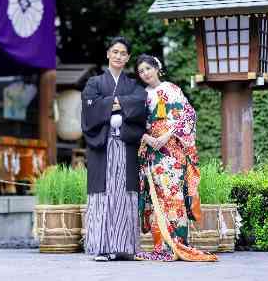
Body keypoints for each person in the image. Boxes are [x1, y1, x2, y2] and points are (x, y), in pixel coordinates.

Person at [135, 54, 217, 262]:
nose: (145, 73)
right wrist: (147, 137)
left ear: (157, 68)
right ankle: (160, 246)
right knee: (156, 199)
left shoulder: (172, 90)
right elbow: (134, 124)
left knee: (174, 196)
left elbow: (189, 115)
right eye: (141, 71)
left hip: (173, 150)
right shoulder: (140, 95)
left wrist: (167, 135)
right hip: (153, 151)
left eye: (147, 69)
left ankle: (178, 243)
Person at [81, 37, 147, 261]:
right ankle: (101, 247)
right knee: (103, 194)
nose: (119, 56)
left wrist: (110, 102)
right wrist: (119, 103)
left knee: (123, 194)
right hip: (103, 145)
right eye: (115, 52)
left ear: (128, 58)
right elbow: (90, 108)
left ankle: (123, 246)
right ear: (108, 54)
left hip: (125, 145)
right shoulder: (94, 83)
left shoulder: (133, 85)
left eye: (123, 53)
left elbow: (140, 103)